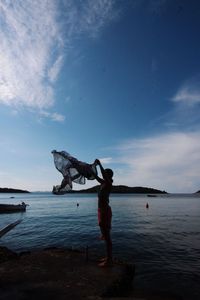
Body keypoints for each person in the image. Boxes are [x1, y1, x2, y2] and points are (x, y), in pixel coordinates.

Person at [93, 159, 113, 267]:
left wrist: (100, 164)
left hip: (105, 211)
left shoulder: (108, 184)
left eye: (106, 173)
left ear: (108, 176)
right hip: (101, 211)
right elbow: (96, 177)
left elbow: (103, 176)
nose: (104, 175)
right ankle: (108, 257)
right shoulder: (104, 183)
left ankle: (109, 261)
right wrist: (92, 171)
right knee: (104, 235)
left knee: (107, 237)